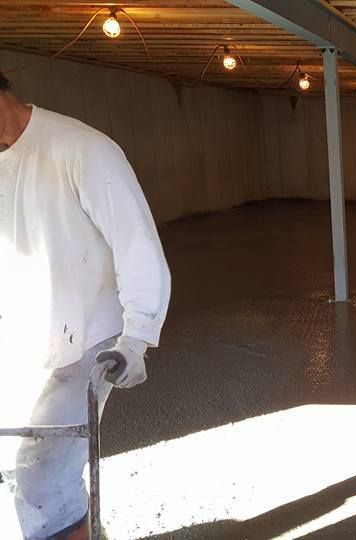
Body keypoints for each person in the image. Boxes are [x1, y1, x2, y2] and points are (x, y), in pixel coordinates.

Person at [0, 68, 171, 539]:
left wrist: (136, 337)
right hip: (23, 335)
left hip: (89, 340)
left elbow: (136, 243)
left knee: (41, 477)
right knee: (16, 467)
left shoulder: (82, 150)